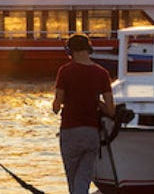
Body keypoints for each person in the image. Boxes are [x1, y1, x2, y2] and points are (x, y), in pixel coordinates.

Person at [52, 34, 115, 194]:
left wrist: (59, 103)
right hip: (91, 132)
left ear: (71, 51)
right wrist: (96, 102)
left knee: (72, 178)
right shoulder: (102, 73)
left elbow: (56, 106)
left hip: (70, 130)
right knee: (83, 178)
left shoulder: (65, 71)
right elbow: (111, 110)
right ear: (89, 49)